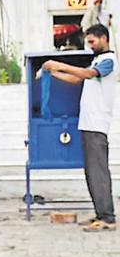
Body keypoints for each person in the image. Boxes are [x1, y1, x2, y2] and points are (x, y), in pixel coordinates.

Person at [42, 24, 117, 232]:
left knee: (99, 172)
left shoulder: (109, 60)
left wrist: (58, 63)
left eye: (93, 41)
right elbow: (76, 79)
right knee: (91, 173)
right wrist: (52, 72)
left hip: (97, 125)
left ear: (104, 38)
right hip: (87, 123)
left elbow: (85, 74)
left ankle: (108, 218)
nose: (90, 45)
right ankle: (100, 213)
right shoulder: (98, 60)